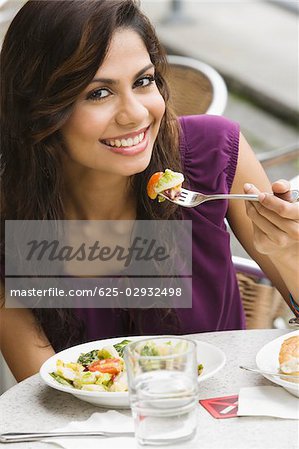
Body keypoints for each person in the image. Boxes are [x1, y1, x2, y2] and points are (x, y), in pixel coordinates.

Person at [0, 0, 298, 382]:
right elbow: (39, 389)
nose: (136, 114)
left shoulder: (207, 156)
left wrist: (290, 251)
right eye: (98, 93)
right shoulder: (14, 215)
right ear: (39, 108)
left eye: (143, 82)